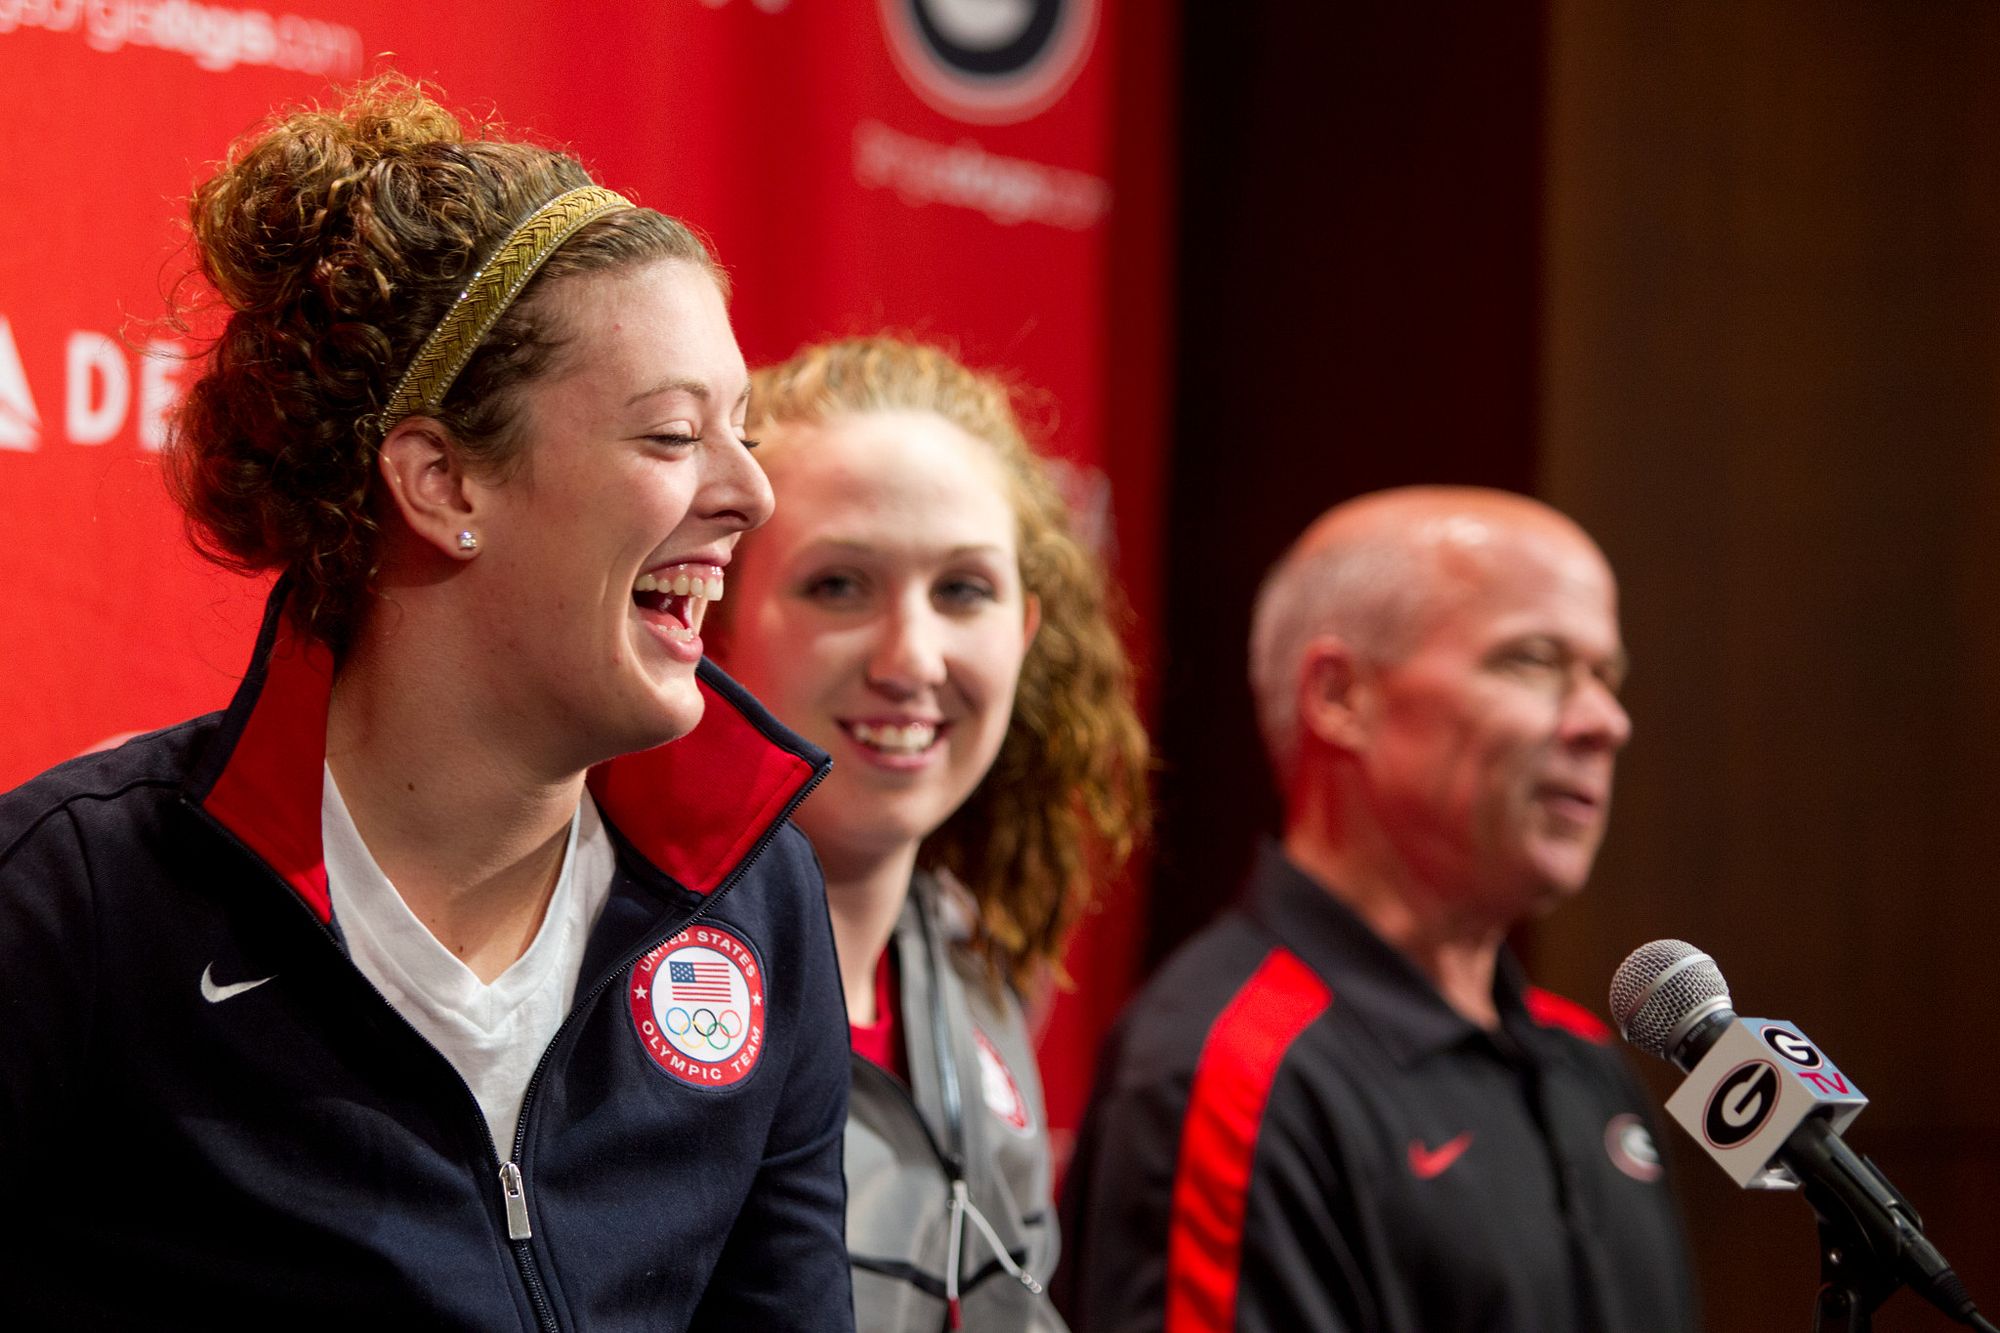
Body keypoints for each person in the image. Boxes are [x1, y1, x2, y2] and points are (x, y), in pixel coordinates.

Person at [0, 79, 854, 1328]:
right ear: (442, 481)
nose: (750, 495)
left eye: (744, 432)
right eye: (674, 436)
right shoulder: (77, 903)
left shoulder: (760, 902)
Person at [1055, 487, 1697, 1332]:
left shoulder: (1583, 1056)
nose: (1605, 722)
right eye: (1533, 661)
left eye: (1607, 678)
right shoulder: (1231, 1071)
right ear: (1339, 696)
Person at [709, 336, 1151, 1332]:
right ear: (715, 615)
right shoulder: (623, 974)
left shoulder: (974, 972)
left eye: (962, 591)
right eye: (838, 585)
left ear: (1024, 630)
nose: (910, 659)